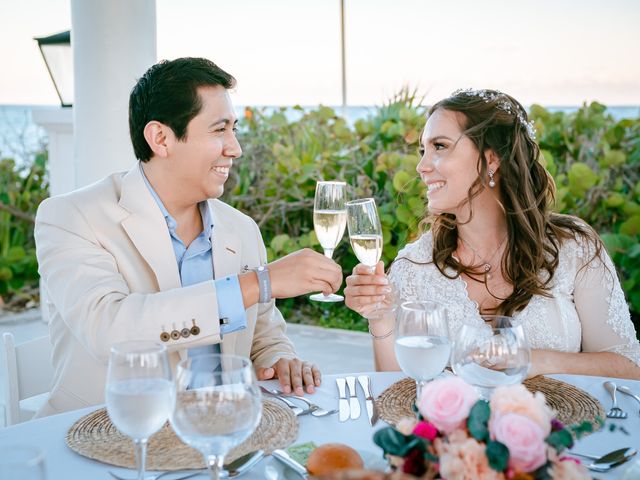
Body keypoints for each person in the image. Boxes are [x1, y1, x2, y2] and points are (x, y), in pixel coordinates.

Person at [34, 57, 343, 416]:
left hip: (224, 434)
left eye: (234, 129)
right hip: (110, 439)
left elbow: (264, 335)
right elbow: (112, 331)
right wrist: (259, 282)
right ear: (161, 138)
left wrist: (280, 358)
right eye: (219, 130)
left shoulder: (241, 229)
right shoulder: (72, 217)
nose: (235, 148)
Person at [344, 88, 640, 379]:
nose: (421, 166)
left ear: (491, 159)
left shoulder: (574, 248)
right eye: (423, 150)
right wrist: (380, 319)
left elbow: (629, 366)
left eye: (440, 146)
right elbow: (397, 392)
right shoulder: (414, 267)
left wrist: (533, 360)